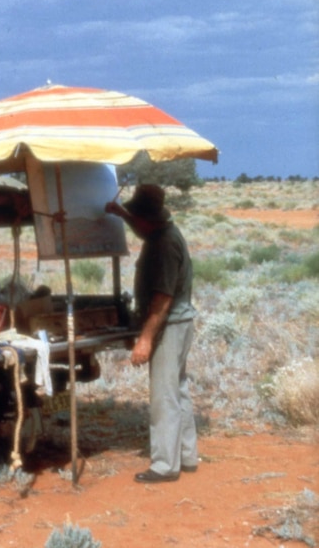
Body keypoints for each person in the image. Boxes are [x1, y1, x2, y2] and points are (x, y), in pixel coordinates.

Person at [105, 184, 199, 483]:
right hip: (179, 323)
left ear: (148, 218)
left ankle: (164, 466)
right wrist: (121, 213)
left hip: (168, 326)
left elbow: (162, 298)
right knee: (177, 389)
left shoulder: (162, 245)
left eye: (135, 216)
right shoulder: (162, 233)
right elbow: (143, 229)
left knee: (164, 395)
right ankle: (186, 455)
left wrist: (145, 339)